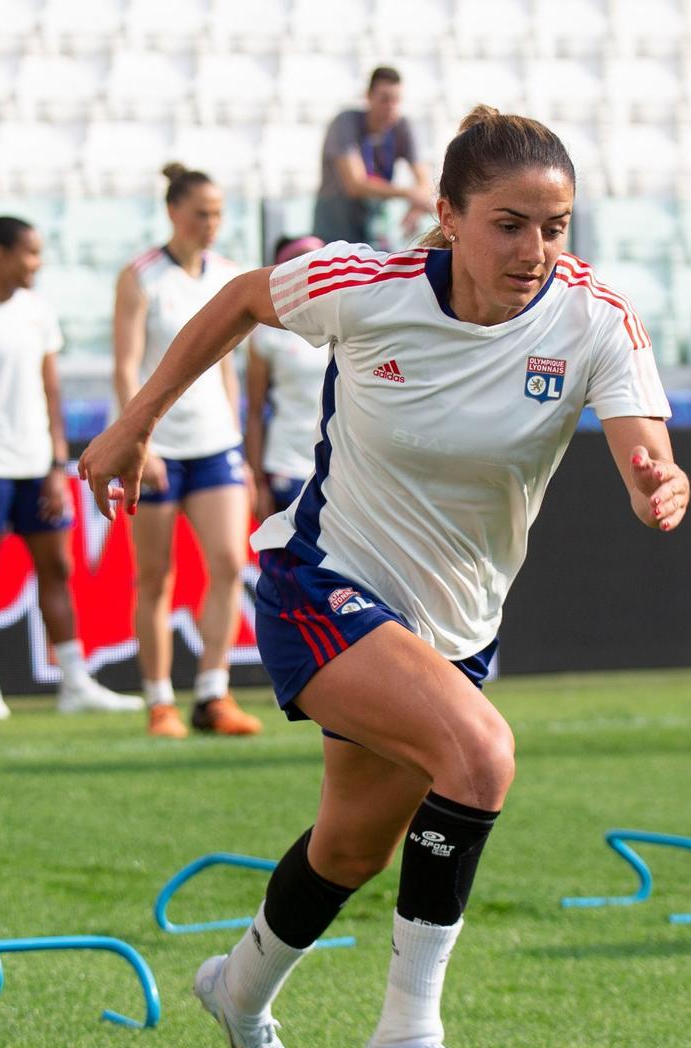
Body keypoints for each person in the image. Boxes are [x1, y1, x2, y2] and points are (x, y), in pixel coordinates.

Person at [80, 106, 689, 1048]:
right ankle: (403, 1046)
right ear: (445, 216)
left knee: (351, 848)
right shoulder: (363, 287)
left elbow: (644, 440)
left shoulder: (593, 316)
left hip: (453, 627)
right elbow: (235, 301)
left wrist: (655, 476)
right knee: (482, 753)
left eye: (557, 225)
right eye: (509, 224)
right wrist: (133, 423)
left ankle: (238, 991)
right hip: (322, 582)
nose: (536, 250)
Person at [0, 213, 142, 720]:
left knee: (58, 571)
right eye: (30, 253)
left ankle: (74, 684)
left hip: (36, 464)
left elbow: (52, 392)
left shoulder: (38, 312)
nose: (37, 264)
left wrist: (55, 464)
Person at [113, 163, 263, 740]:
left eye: (219, 213)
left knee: (227, 564)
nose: (211, 224)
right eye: (201, 212)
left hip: (214, 443)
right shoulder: (142, 277)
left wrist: (237, 439)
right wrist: (136, 436)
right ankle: (158, 701)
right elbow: (126, 364)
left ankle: (212, 693)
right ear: (173, 212)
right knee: (156, 575)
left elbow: (226, 364)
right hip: (157, 447)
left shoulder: (227, 275)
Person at [244, 235, 330, 521]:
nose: (312, 267)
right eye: (303, 259)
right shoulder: (267, 333)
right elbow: (255, 412)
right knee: (289, 562)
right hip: (286, 463)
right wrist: (257, 483)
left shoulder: (343, 321)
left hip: (337, 467)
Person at [313, 65, 434, 246]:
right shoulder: (345, 123)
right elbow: (356, 184)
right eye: (384, 99)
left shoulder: (402, 127)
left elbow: (425, 182)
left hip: (374, 227)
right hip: (336, 227)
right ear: (368, 97)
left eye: (396, 100)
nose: (391, 107)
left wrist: (415, 208)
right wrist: (409, 194)